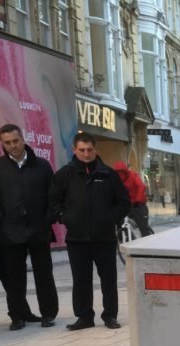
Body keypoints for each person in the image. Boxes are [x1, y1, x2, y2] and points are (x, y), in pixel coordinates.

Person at [48, 132, 129, 331]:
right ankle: (84, 316)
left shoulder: (108, 174)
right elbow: (52, 201)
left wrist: (111, 218)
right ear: (74, 150)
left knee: (108, 279)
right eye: (82, 150)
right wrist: (64, 218)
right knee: (81, 280)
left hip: (104, 238)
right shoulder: (64, 175)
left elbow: (123, 201)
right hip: (77, 239)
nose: (86, 154)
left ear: (95, 150)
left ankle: (110, 315)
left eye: (90, 150)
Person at [0, 123, 59, 330]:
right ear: (2, 144)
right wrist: (0, 220)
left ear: (23, 139)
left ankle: (48, 313)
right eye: (7, 143)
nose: (12, 146)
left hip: (38, 228)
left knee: (44, 273)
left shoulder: (42, 165)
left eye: (15, 141)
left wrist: (47, 219)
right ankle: (17, 315)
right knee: (14, 276)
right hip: (11, 230)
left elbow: (53, 195)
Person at [112, 161, 153, 236]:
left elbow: (141, 187)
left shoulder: (133, 176)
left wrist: (138, 200)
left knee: (143, 228)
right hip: (126, 205)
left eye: (121, 172)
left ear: (125, 172)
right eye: (117, 173)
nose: (120, 175)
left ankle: (147, 241)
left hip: (138, 205)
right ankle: (124, 240)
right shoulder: (116, 180)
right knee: (120, 224)